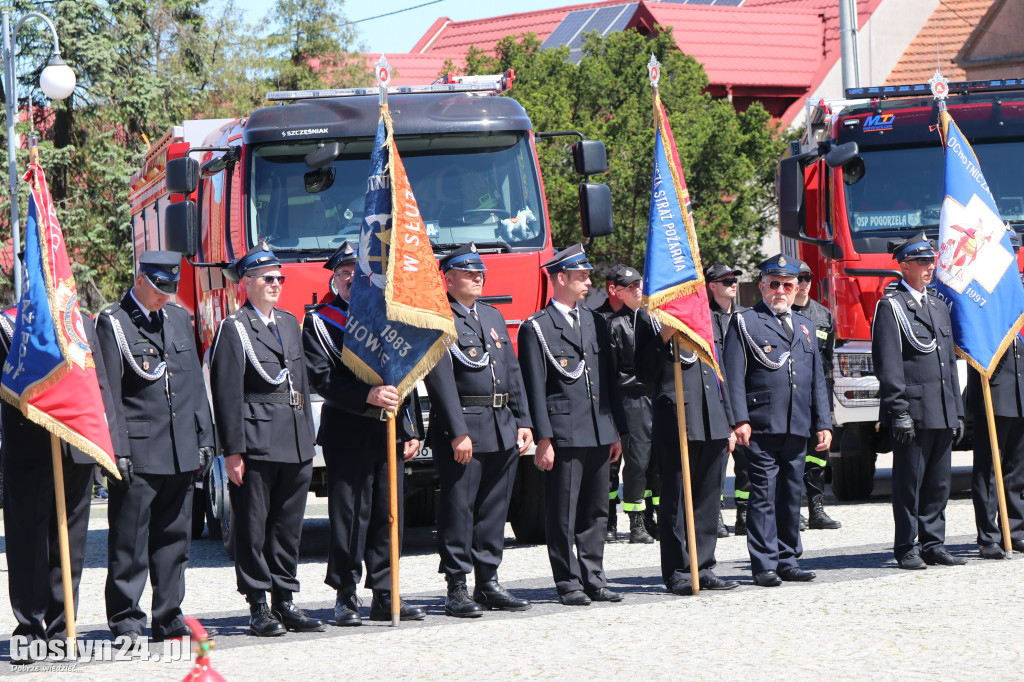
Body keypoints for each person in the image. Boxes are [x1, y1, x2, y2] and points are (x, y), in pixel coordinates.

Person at [302, 241, 425, 625]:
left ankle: (386, 593)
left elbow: (408, 373)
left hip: (388, 430)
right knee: (351, 515)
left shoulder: (388, 315)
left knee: (391, 516)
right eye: (344, 273)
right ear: (334, 279)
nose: (353, 278)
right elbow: (323, 380)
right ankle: (346, 595)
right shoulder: (321, 321)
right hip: (348, 430)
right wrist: (367, 396)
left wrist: (411, 428)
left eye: (360, 271)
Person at [95, 251, 215, 643]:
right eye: (160, 288)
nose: (166, 296)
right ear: (141, 279)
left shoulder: (178, 317)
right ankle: (127, 620)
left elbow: (194, 384)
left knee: (174, 540)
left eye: (170, 289)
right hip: (139, 451)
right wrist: (117, 449)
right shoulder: (112, 322)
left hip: (180, 449)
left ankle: (169, 616)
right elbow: (109, 392)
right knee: (129, 542)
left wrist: (205, 436)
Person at [210, 243, 325, 636]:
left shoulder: (290, 323)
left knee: (288, 526)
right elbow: (227, 394)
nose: (276, 284)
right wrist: (233, 451)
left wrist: (308, 441)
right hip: (256, 438)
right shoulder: (235, 328)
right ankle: (259, 603)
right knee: (253, 526)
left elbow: (303, 386)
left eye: (280, 278)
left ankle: (284, 598)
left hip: (293, 439)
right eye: (268, 278)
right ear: (247, 283)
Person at [2, 307, 125, 661]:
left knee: (70, 544)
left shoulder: (82, 321)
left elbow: (100, 384)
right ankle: (29, 628)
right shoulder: (8, 323)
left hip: (76, 449)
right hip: (29, 450)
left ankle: (62, 628)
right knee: (28, 546)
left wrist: (108, 446)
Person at [423, 243, 534, 618]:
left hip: (502, 426)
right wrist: (457, 432)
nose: (479, 277)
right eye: (470, 273)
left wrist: (523, 421)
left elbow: (511, 371)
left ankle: (488, 581)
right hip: (465, 429)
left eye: (481, 272)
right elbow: (440, 382)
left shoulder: (492, 316)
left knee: (493, 509)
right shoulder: (440, 318)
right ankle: (457, 585)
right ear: (448, 279)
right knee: (459, 508)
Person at [517, 243, 626, 606]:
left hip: (598, 429)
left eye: (587, 276)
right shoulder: (537, 327)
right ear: (560, 278)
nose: (587, 282)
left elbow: (608, 381)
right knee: (563, 512)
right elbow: (534, 387)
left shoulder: (595, 321)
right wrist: (543, 438)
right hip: (564, 434)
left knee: (597, 510)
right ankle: (568, 581)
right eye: (581, 277)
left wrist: (615, 431)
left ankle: (594, 576)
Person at [724, 254, 832, 586]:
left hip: (797, 424)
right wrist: (739, 418)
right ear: (762, 286)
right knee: (763, 494)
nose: (782, 291)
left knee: (790, 494)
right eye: (774, 284)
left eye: (788, 284)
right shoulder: (745, 321)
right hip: (761, 424)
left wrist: (823, 422)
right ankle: (764, 563)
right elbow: (733, 375)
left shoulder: (806, 325)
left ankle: (788, 558)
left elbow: (816, 379)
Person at [872, 233, 965, 569]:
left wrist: (956, 410)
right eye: (923, 262)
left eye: (931, 261)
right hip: (913, 409)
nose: (930, 267)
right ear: (905, 265)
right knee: (909, 483)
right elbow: (889, 364)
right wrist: (898, 411)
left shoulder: (938, 305)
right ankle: (906, 547)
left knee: (939, 482)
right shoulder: (891, 307)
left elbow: (948, 365)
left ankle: (933, 542)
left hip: (940, 408)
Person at [634, 308, 739, 595]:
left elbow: (719, 370)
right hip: (678, 417)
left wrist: (729, 419)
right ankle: (679, 570)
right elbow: (644, 371)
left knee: (708, 498)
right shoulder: (650, 317)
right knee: (676, 500)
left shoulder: (704, 312)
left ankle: (703, 566)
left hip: (712, 417)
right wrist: (665, 334)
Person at [969, 233, 1024, 559]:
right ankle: (988, 536)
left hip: (1020, 392)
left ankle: (1014, 530)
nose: (1013, 255)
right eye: (1007, 249)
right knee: (989, 470)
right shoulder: (983, 296)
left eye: (1015, 250)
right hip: (995, 392)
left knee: (1018, 467)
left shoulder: (1019, 291)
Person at [607, 264, 660, 543]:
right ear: (617, 291)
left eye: (639, 284)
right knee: (637, 462)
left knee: (657, 462)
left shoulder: (654, 319)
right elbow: (611, 374)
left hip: (656, 397)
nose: (637, 289)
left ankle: (654, 515)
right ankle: (636, 520)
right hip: (631, 399)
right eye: (630, 287)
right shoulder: (615, 325)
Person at [791, 260, 842, 531]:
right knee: (793, 455)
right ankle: (792, 509)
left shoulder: (823, 315)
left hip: (818, 395)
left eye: (807, 277)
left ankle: (817, 510)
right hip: (791, 395)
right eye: (798, 277)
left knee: (818, 455)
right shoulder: (782, 313)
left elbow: (827, 359)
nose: (803, 282)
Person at [706, 263, 749, 537]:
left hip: (742, 395)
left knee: (746, 460)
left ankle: (744, 513)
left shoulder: (746, 317)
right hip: (714, 396)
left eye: (734, 280)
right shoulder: (703, 318)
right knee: (717, 461)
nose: (733, 284)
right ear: (712, 286)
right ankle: (715, 514)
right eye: (726, 281)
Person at [595, 265, 627, 542]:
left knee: (645, 464)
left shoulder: (640, 317)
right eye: (627, 286)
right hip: (608, 400)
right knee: (609, 467)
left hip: (636, 400)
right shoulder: (597, 319)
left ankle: (644, 518)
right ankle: (608, 520)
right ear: (612, 288)